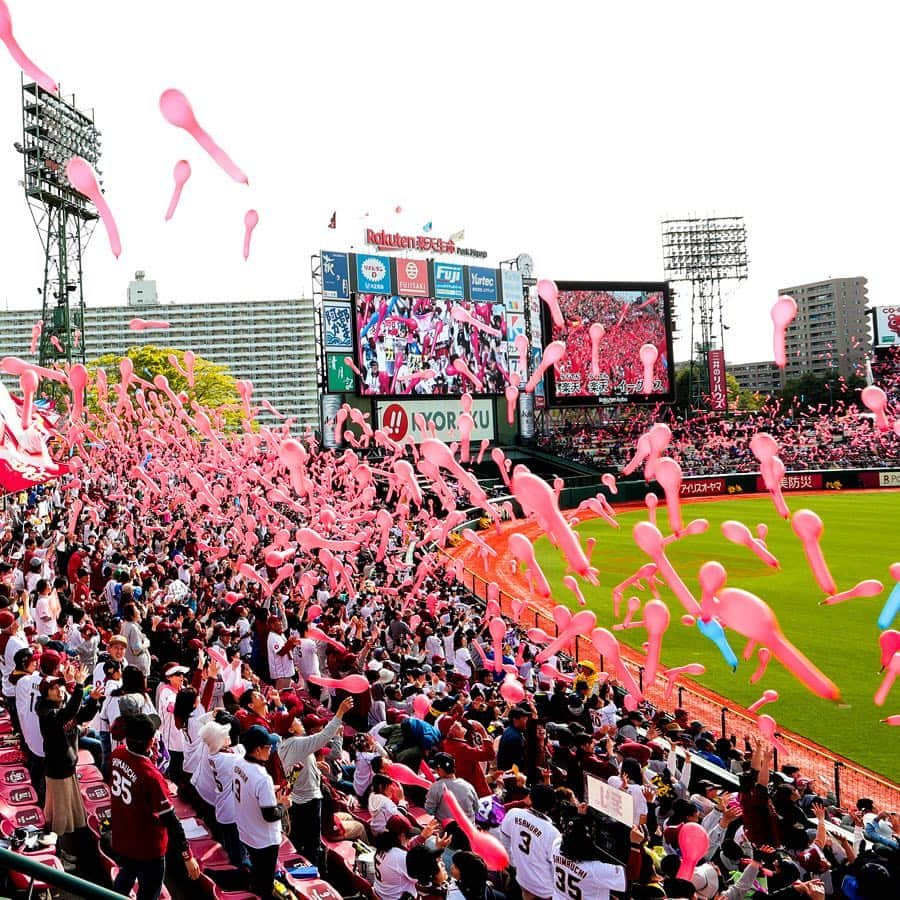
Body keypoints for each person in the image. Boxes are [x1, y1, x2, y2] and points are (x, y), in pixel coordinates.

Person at [110, 713, 200, 900]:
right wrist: (187, 855)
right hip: (147, 847)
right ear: (151, 741)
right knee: (149, 893)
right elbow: (171, 820)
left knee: (124, 878)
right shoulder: (151, 776)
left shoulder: (117, 754)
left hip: (124, 836)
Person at [276, 695, 354, 868]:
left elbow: (291, 774)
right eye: (294, 720)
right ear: (290, 730)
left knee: (299, 841)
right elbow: (325, 735)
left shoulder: (284, 745)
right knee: (313, 846)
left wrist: (313, 767)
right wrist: (340, 711)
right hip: (309, 801)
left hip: (297, 800)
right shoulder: (297, 743)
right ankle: (317, 876)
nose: (299, 721)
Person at [37, 665, 104, 864]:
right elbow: (68, 713)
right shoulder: (47, 713)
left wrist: (92, 700)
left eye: (60, 686)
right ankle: (57, 854)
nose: (59, 691)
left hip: (68, 768)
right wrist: (79, 685)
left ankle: (65, 848)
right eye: (53, 688)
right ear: (46, 694)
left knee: (69, 813)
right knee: (59, 817)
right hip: (57, 771)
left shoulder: (63, 705)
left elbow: (82, 716)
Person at [232, 725, 292, 897]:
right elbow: (270, 815)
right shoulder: (262, 777)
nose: (271, 749)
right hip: (263, 840)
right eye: (268, 747)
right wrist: (283, 804)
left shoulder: (238, 763)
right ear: (257, 749)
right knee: (264, 886)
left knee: (256, 873)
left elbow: (248, 790)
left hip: (247, 832)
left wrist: (269, 792)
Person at [499, 783, 560, 900]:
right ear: (552, 806)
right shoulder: (553, 833)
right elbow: (556, 867)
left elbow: (504, 842)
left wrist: (513, 864)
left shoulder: (514, 813)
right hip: (544, 890)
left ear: (530, 798)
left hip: (520, 879)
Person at [550, 818, 626, 900]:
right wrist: (635, 845)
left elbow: (569, 837)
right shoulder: (594, 869)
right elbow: (631, 875)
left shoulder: (556, 848)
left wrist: (580, 818)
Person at [424, 752, 478, 823]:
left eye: (436, 769)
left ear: (440, 770)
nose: (435, 771)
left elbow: (429, 811)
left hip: (448, 830)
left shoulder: (436, 787)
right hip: (469, 829)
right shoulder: (468, 786)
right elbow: (476, 809)